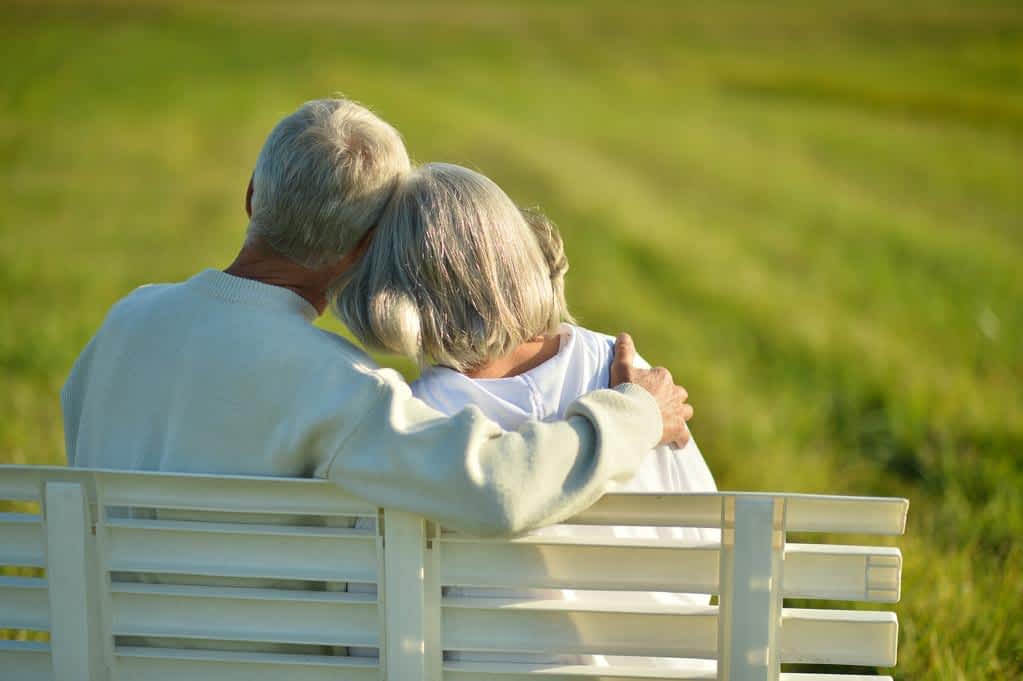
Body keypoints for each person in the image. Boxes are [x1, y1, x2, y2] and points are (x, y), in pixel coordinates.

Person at [61, 98, 696, 539]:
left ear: (254, 193)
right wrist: (636, 413)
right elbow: (499, 491)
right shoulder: (335, 387)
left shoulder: (125, 322)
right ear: (366, 251)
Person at [336, 162, 717, 669]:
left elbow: (371, 631)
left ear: (392, 293)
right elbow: (704, 555)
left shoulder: (414, 418)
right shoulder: (623, 375)